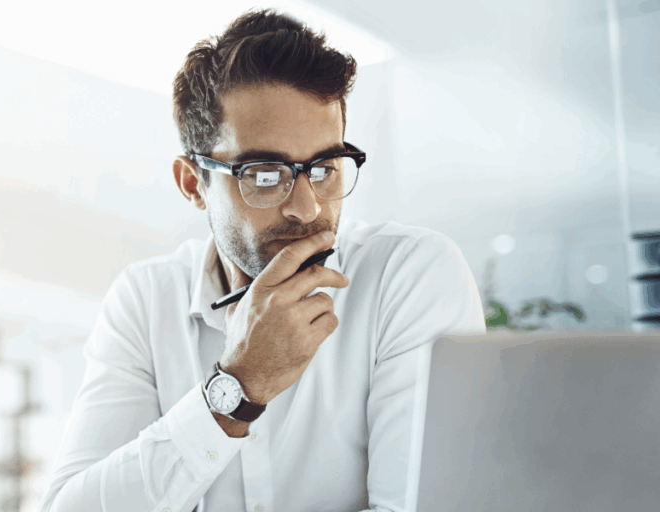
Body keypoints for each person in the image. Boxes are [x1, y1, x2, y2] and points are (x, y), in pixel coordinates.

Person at [38, 9, 485, 512]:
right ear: (194, 185)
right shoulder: (145, 299)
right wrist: (238, 386)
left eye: (324, 168)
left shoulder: (411, 277)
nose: (307, 207)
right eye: (265, 174)